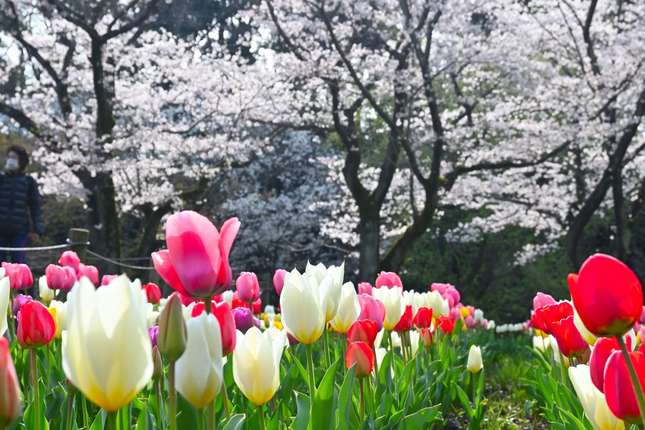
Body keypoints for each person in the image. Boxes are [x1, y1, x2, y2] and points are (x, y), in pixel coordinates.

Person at [0, 145, 45, 263]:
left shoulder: (29, 182)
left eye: (14, 157)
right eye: (9, 157)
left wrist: (37, 229)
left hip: (20, 230)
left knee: (19, 264)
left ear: (21, 160)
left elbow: (35, 206)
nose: (10, 160)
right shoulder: (1, 179)